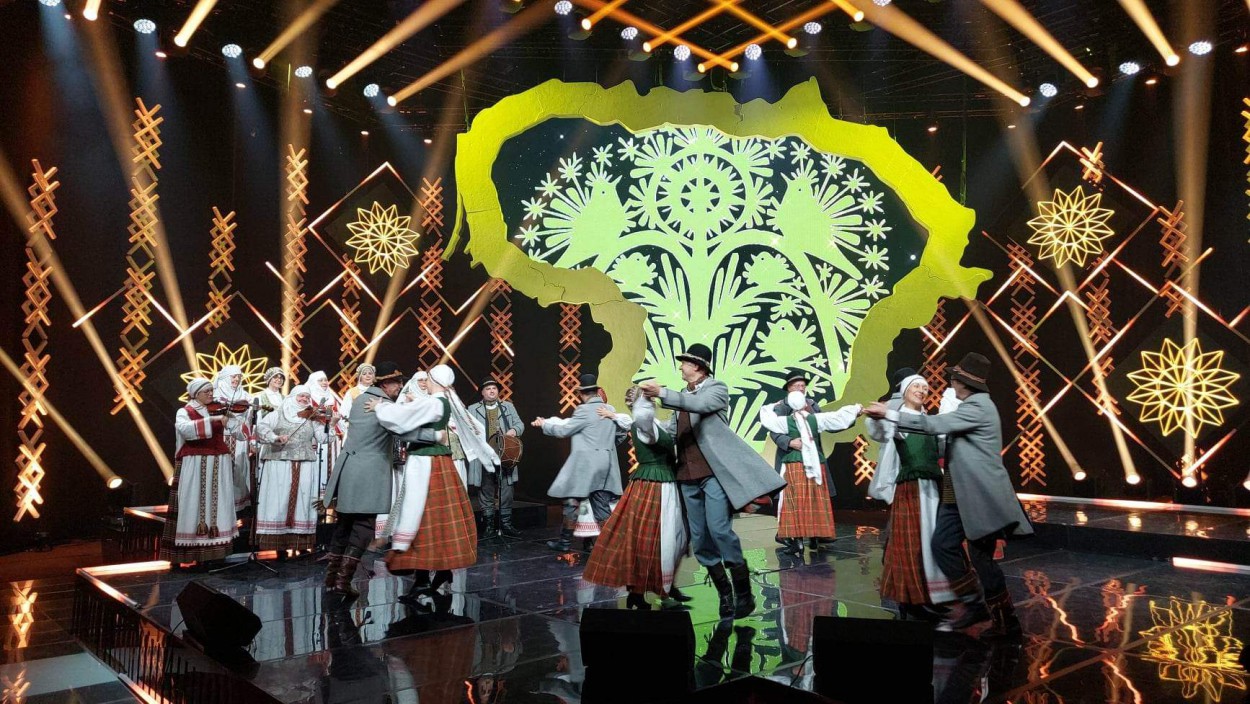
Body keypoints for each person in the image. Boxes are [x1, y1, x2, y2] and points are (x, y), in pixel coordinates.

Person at [865, 353, 1033, 636]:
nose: (950, 384)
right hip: (956, 494)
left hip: (979, 496)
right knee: (943, 544)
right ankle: (972, 603)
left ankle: (1004, 620)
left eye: (954, 379)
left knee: (981, 558)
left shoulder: (979, 407)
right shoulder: (967, 407)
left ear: (963, 383)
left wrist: (890, 414)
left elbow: (932, 426)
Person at [638, 343, 787, 621]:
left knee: (719, 529)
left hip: (712, 474)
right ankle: (724, 594)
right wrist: (641, 421)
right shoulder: (681, 397)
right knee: (700, 538)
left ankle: (744, 592)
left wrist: (662, 393)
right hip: (687, 475)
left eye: (684, 362)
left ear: (697, 366)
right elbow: (673, 431)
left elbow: (700, 404)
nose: (681, 367)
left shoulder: (716, 389)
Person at [375, 364, 494, 604]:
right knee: (434, 519)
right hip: (437, 463)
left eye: (428, 379)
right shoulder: (439, 401)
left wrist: (380, 407)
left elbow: (400, 420)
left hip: (427, 464)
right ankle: (439, 571)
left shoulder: (435, 402)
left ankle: (424, 579)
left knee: (421, 517)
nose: (425, 383)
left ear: (436, 381)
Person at [321, 362, 424, 598]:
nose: (400, 387)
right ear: (385, 384)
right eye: (397, 382)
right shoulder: (383, 405)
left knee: (344, 524)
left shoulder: (360, 399)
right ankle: (342, 581)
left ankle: (331, 578)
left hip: (349, 469)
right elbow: (405, 429)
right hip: (368, 473)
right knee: (363, 526)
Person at [583, 386, 692, 610]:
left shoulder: (651, 424)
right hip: (655, 485)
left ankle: (646, 591)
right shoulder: (644, 426)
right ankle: (655, 591)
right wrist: (645, 398)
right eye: (648, 401)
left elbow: (633, 420)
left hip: (660, 482)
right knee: (659, 537)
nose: (652, 403)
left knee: (665, 537)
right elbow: (641, 419)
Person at [864, 374, 958, 620]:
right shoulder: (898, 419)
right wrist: (877, 416)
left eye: (925, 387)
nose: (922, 390)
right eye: (916, 386)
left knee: (933, 540)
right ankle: (913, 598)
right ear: (905, 391)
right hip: (912, 489)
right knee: (915, 542)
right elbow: (879, 433)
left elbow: (943, 442)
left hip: (933, 487)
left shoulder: (929, 420)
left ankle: (933, 594)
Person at [759, 371, 861, 556]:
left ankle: (816, 533)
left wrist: (853, 416)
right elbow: (774, 430)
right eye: (796, 386)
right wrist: (789, 442)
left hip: (813, 458)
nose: (800, 388)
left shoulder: (812, 406)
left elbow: (830, 422)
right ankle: (791, 534)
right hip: (793, 457)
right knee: (795, 497)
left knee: (813, 495)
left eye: (802, 386)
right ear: (789, 389)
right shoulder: (781, 408)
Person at [533, 373, 625, 552]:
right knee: (601, 505)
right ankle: (611, 547)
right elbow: (620, 434)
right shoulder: (610, 409)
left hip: (586, 466)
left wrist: (544, 425)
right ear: (597, 391)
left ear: (581, 393)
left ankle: (565, 542)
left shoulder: (583, 410)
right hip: (606, 465)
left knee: (571, 502)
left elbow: (564, 431)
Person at [160, 378, 239, 564]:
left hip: (218, 461)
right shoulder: (185, 411)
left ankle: (216, 553)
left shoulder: (218, 409)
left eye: (212, 390)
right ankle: (193, 553)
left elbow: (239, 432)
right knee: (194, 501)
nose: (211, 394)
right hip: (195, 463)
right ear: (195, 394)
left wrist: (235, 419)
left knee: (219, 502)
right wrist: (211, 420)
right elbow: (185, 430)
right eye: (206, 391)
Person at [255, 384, 325, 554]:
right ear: (293, 397)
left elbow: (323, 438)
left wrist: (330, 425)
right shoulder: (278, 413)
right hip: (279, 463)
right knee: (279, 499)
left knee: (303, 501)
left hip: (305, 464)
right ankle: (277, 545)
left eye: (307, 397)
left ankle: (301, 544)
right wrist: (275, 437)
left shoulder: (312, 417)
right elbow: (261, 428)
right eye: (301, 396)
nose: (304, 399)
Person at [467, 378, 525, 539]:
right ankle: (489, 525)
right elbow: (467, 430)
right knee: (486, 488)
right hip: (484, 456)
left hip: (504, 454)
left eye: (494, 388)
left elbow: (520, 424)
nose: (492, 391)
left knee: (506, 488)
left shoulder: (508, 406)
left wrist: (514, 431)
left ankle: (506, 524)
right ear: (482, 392)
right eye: (488, 389)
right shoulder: (472, 409)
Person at [212, 365, 254, 512]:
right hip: (220, 437)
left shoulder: (246, 396)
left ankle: (236, 509)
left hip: (239, 440)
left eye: (239, 376)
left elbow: (249, 421)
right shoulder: (215, 396)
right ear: (225, 378)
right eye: (233, 376)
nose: (236, 379)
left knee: (238, 472)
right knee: (220, 471)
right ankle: (219, 504)